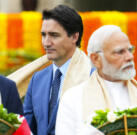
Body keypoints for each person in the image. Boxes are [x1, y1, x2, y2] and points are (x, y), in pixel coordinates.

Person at [55, 25, 137, 134]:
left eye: (130, 50)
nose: (130, 57)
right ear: (96, 59)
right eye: (120, 52)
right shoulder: (73, 98)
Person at [23, 4, 92, 135]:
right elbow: (26, 129)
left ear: (74, 37)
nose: (46, 42)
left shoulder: (93, 76)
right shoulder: (37, 79)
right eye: (44, 35)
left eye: (54, 35)